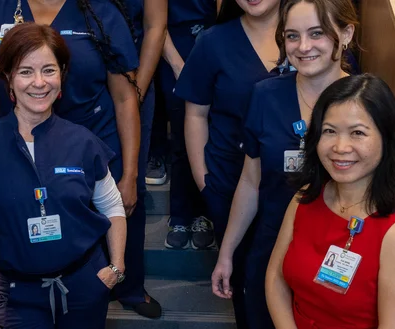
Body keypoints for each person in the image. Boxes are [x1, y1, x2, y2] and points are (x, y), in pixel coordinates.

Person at [0, 0, 160, 317]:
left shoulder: (100, 12)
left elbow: (124, 96)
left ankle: (126, 287)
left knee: (115, 214)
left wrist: (130, 173)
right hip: (21, 146)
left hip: (92, 143)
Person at [210, 1, 357, 327]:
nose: (303, 47)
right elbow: (250, 182)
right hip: (271, 249)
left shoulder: (365, 101)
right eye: (292, 36)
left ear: (345, 33)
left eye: (316, 33)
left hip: (335, 257)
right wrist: (227, 253)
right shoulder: (265, 96)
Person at [265, 73, 395, 329]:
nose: (340, 147)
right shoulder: (306, 197)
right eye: (329, 131)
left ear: (387, 138)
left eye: (358, 133)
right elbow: (275, 278)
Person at [174, 0, 282, 326]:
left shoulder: (304, 36)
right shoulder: (214, 41)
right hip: (228, 182)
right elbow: (195, 113)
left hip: (291, 188)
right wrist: (203, 179)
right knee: (244, 286)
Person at [147, 0, 218, 251]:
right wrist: (178, 66)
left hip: (213, 41)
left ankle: (204, 215)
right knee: (180, 136)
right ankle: (179, 217)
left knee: (213, 137)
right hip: (174, 47)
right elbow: (156, 23)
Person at [115, 0, 167, 317]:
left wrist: (136, 93)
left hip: (135, 79)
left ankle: (130, 286)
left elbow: (155, 26)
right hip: (79, 82)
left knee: (130, 185)